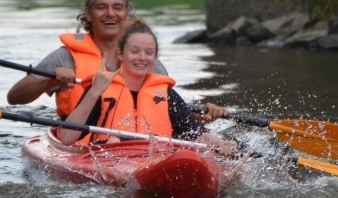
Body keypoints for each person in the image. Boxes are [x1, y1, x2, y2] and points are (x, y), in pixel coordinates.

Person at [7, 0, 228, 121]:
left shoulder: (144, 59)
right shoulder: (65, 56)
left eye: (117, 8)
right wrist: (48, 81)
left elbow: (167, 110)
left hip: (136, 144)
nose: (110, 14)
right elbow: (14, 97)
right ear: (89, 13)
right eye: (101, 7)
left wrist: (201, 116)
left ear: (127, 13)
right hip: (81, 140)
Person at [58, 19, 239, 156]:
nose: (142, 58)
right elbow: (66, 138)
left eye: (149, 52)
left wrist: (221, 144)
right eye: (135, 51)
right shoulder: (100, 89)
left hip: (156, 160)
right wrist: (95, 91)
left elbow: (197, 134)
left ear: (155, 56)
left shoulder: (166, 94)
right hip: (111, 159)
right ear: (120, 54)